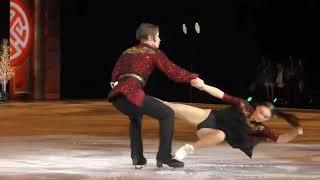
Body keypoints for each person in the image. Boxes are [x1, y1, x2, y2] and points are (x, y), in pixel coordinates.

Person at [107, 22, 201, 168]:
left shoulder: (127, 52)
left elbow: (114, 76)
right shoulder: (153, 52)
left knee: (135, 116)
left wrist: (119, 87)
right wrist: (192, 77)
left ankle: (137, 157)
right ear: (151, 38)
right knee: (167, 113)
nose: (160, 39)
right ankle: (164, 156)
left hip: (117, 97)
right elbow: (173, 71)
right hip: (131, 93)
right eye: (158, 36)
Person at [159, 79, 303, 161]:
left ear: (268, 119)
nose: (260, 116)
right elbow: (221, 95)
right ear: (257, 107)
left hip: (210, 132)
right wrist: (203, 86)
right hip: (208, 117)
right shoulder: (243, 105)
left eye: (265, 117)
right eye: (261, 112)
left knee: (220, 135)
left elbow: (279, 139)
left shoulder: (260, 129)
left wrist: (295, 132)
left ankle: (187, 149)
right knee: (172, 107)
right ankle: (142, 100)